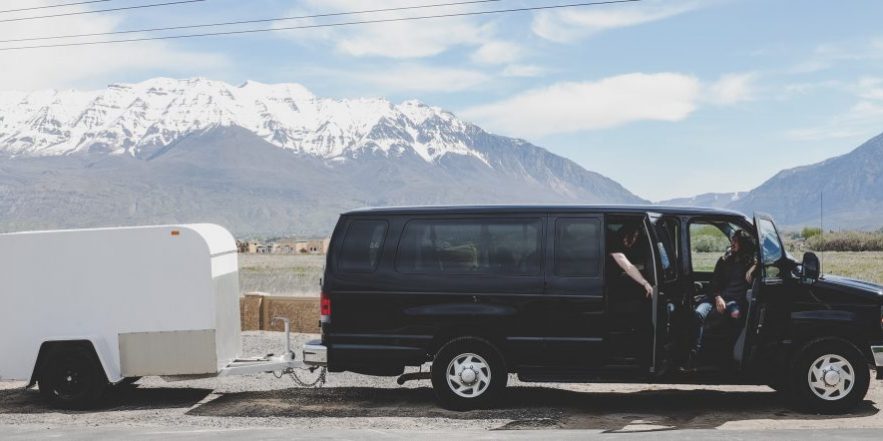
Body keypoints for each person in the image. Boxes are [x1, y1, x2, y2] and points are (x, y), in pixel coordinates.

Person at [688, 229, 758, 366]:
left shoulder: (749, 262)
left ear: (743, 243)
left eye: (736, 241)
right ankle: (694, 355)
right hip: (715, 297)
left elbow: (767, 258)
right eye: (732, 240)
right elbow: (714, 283)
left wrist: (755, 265)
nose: (732, 243)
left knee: (736, 315)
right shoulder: (724, 260)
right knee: (698, 314)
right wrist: (717, 297)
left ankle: (732, 358)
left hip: (733, 301)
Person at [607, 223, 653, 299]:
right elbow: (628, 266)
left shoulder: (623, 246)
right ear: (626, 234)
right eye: (634, 236)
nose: (634, 240)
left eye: (636, 237)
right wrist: (645, 283)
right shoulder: (613, 241)